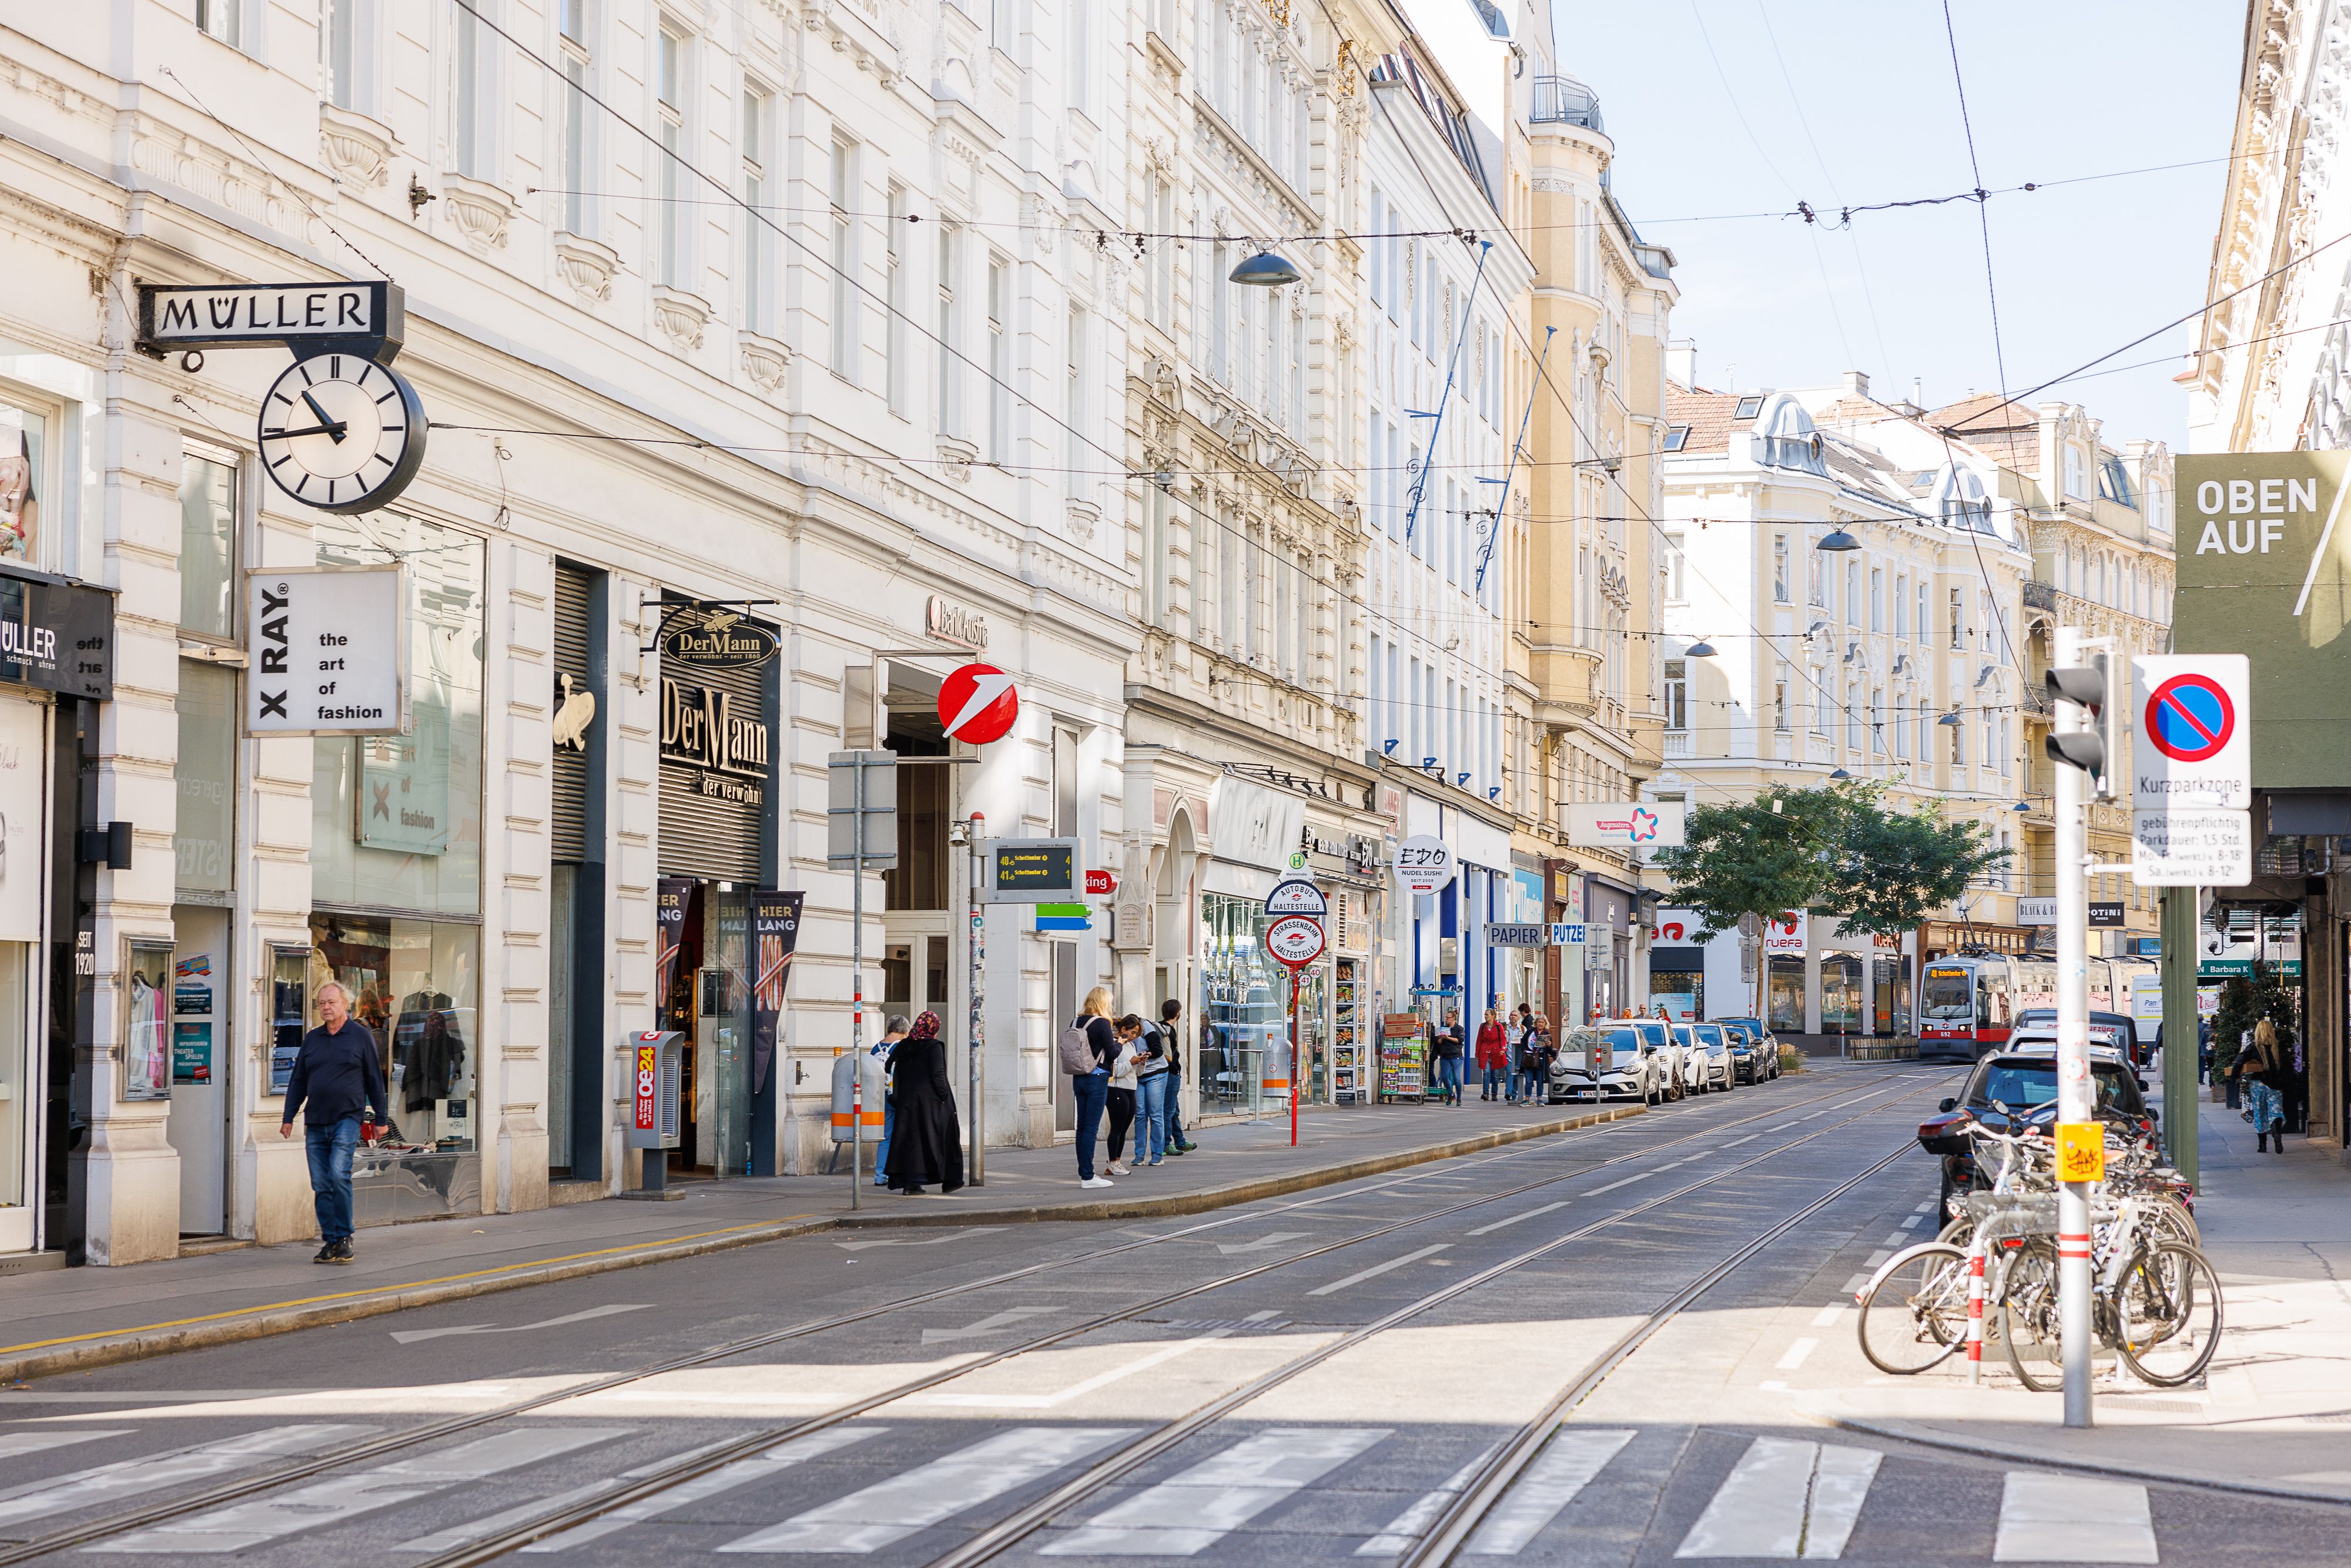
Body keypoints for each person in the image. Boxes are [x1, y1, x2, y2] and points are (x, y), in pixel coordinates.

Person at [279, 979, 389, 1265]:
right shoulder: (312, 1039)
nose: (326, 1008)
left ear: (346, 1005)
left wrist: (381, 1118)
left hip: (347, 1117)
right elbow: (299, 1079)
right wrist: (289, 1116)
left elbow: (375, 1080)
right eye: (322, 1004)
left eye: (332, 1002)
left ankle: (345, 1236)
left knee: (339, 1173)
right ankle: (331, 1241)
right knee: (321, 1183)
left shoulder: (360, 1036)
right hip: (315, 1120)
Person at [883, 1012, 965, 1194]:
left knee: (911, 1141)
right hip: (931, 1102)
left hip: (906, 1101)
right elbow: (938, 1074)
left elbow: (888, 1065)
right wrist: (944, 1096)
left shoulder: (904, 1045)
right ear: (933, 1028)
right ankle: (951, 1180)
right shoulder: (934, 1046)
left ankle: (912, 1183)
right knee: (945, 1137)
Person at [1067, 985, 1121, 1188]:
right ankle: (1088, 1177)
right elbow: (1113, 1052)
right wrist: (1121, 1042)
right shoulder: (1102, 1023)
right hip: (1097, 1078)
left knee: (1082, 1127)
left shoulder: (1076, 1021)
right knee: (1090, 1128)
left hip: (1079, 1077)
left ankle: (1084, 1173)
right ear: (1103, 1003)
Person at [871, 1014, 909, 1187]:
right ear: (903, 1030)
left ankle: (880, 1175)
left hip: (880, 1096)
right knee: (904, 1135)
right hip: (899, 1095)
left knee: (885, 1137)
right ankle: (900, 1172)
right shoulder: (902, 1047)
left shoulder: (875, 1048)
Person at [2241, 1018, 2288, 1154]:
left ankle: (2263, 1145)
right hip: (2275, 1084)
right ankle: (2277, 1133)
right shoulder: (2279, 1046)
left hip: (2258, 1084)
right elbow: (2286, 1067)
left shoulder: (2253, 1046)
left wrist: (2234, 1075)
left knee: (2259, 1112)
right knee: (2276, 1111)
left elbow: (2240, 1060)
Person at [1133, 1005, 1171, 1167]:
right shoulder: (1125, 1033)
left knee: (1155, 1114)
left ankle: (1157, 1155)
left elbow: (1157, 1050)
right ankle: (1139, 1155)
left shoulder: (1147, 1026)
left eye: (1134, 1033)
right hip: (1139, 1074)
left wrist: (1143, 1056)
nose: (1131, 1036)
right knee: (1140, 1114)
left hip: (1156, 1073)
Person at [1105, 1014, 1143, 1175]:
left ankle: (1117, 1161)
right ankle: (1112, 1162)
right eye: (1133, 1032)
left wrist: (1141, 1063)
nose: (1134, 1037)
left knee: (1124, 1128)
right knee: (1117, 1127)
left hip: (1130, 1088)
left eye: (1136, 1034)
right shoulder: (1114, 1045)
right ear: (1123, 1029)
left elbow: (1137, 1073)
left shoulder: (1131, 1046)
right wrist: (1131, 1063)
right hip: (1116, 1089)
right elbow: (1113, 1071)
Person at [1158, 999, 1197, 1154]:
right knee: (1169, 1111)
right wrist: (1176, 1069)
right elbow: (1169, 1055)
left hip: (1168, 1073)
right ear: (1178, 1014)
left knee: (1173, 1110)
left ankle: (1180, 1141)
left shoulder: (1161, 1028)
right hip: (1170, 1074)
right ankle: (1166, 1144)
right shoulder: (1168, 1031)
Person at [1474, 1009, 1510, 1102]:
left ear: (1493, 1016)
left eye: (1487, 1015)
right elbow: (1479, 1041)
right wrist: (1477, 1053)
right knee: (1486, 1072)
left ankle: (1494, 1094)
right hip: (1485, 1052)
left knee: (1495, 1075)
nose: (1485, 1016)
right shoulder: (1483, 1027)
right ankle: (1485, 1093)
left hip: (1496, 1053)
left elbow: (1503, 1039)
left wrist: (1503, 1049)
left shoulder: (1499, 1027)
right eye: (1485, 1015)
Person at [1431, 1013, 1465, 1105]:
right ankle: (1451, 1094)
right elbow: (1438, 1041)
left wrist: (1448, 1038)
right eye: (1445, 1017)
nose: (1446, 1019)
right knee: (1444, 1076)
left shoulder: (1459, 1028)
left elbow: (1460, 1040)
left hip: (1456, 1055)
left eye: (1448, 1017)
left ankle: (1459, 1099)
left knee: (1457, 1078)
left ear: (1453, 1018)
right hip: (1445, 1056)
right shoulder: (1443, 1029)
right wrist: (1442, 1038)